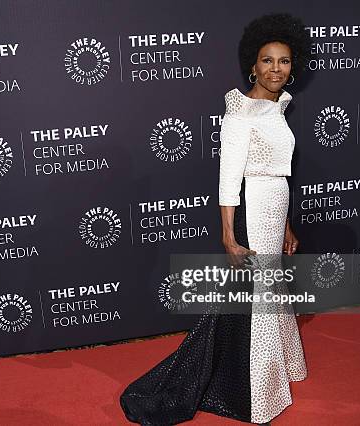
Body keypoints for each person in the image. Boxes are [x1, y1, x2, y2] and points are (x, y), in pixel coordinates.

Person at [120, 13, 313, 425]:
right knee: (256, 296)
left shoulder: (277, 108)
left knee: (271, 289)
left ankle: (277, 374)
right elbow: (229, 178)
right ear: (252, 64)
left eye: (283, 61)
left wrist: (286, 226)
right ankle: (255, 393)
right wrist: (228, 234)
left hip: (276, 204)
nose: (276, 69)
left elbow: (277, 168)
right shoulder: (240, 113)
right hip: (251, 208)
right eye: (267, 61)